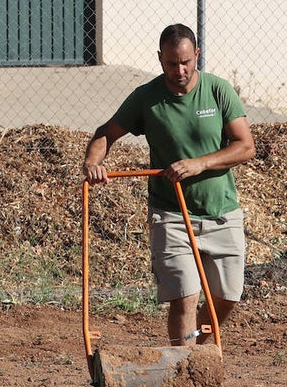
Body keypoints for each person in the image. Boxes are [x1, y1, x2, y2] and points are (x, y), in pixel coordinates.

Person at [83, 24, 255, 346]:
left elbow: (245, 146)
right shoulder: (147, 98)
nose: (180, 70)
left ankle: (199, 350)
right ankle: (184, 367)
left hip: (221, 212)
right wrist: (93, 164)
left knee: (228, 297)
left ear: (197, 56)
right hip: (171, 215)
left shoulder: (218, 91)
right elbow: (106, 133)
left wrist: (199, 163)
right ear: (160, 59)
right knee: (184, 297)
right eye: (172, 63)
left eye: (187, 62)